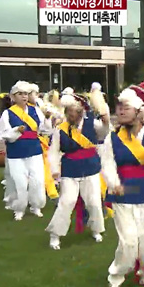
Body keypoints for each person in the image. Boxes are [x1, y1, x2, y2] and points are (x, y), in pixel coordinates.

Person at [100, 85, 144, 287]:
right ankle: (116, 275)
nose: (120, 111)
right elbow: (107, 164)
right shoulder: (113, 137)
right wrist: (114, 184)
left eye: (125, 107)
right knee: (128, 242)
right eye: (118, 107)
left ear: (139, 111)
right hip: (122, 194)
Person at [45, 92, 109, 249]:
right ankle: (55, 235)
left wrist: (106, 122)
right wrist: (54, 170)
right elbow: (53, 151)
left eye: (73, 113)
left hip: (90, 168)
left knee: (94, 202)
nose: (70, 116)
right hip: (70, 170)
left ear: (80, 113)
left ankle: (96, 230)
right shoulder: (60, 130)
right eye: (68, 113)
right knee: (67, 202)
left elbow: (105, 133)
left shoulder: (92, 123)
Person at [0, 81, 52, 221]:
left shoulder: (35, 110)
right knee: (20, 182)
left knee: (37, 180)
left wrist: (48, 119)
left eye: (26, 94)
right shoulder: (8, 113)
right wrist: (16, 131)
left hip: (35, 150)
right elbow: (1, 134)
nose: (24, 97)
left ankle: (36, 206)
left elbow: (44, 129)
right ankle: (19, 209)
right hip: (16, 153)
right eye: (20, 94)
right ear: (13, 97)